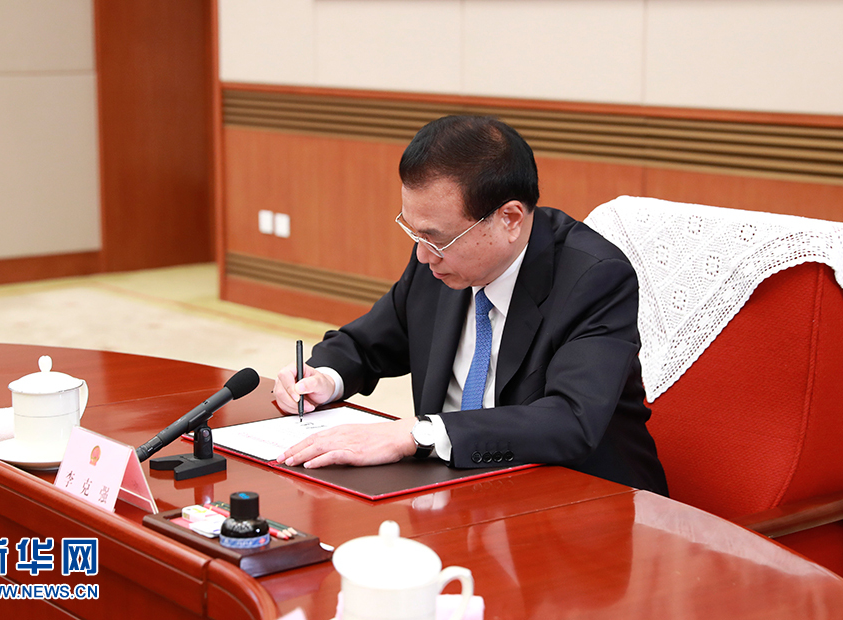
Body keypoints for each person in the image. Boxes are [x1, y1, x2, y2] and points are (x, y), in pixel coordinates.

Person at [274, 115, 668, 496]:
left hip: (581, 501)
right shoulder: (437, 261)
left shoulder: (594, 278)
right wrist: (322, 378)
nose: (423, 255)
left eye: (437, 238)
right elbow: (366, 344)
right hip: (455, 490)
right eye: (415, 233)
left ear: (509, 218)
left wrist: (419, 433)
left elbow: (571, 419)